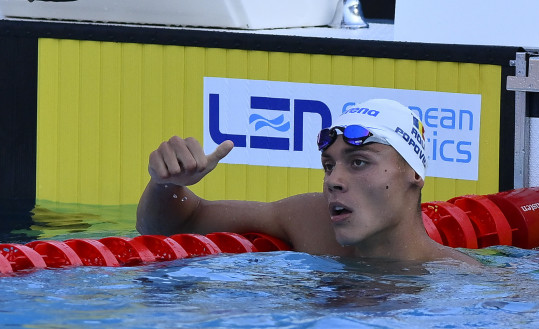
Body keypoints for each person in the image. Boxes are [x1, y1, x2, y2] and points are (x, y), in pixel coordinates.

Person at [137, 98, 475, 263]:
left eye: (359, 162)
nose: (334, 181)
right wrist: (167, 184)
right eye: (329, 166)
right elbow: (176, 223)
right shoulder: (310, 221)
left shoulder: (456, 281)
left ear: (415, 174)